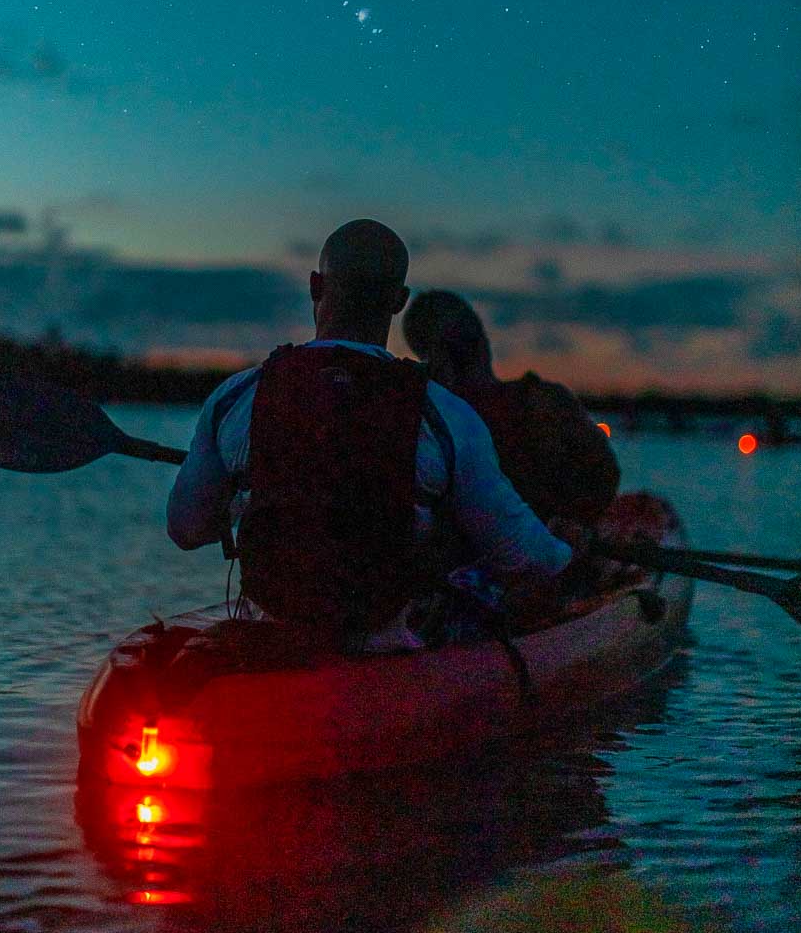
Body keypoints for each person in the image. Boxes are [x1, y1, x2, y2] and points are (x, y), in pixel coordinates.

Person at [167, 219, 577, 651]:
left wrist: (246, 493)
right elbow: (528, 560)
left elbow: (186, 530)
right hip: (380, 653)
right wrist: (568, 550)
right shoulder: (447, 416)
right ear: (399, 302)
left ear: (315, 286)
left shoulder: (235, 398)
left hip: (265, 641)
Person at [402, 290, 620, 527]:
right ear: (481, 340)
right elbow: (604, 475)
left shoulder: (423, 425)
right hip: (553, 547)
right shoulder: (542, 402)